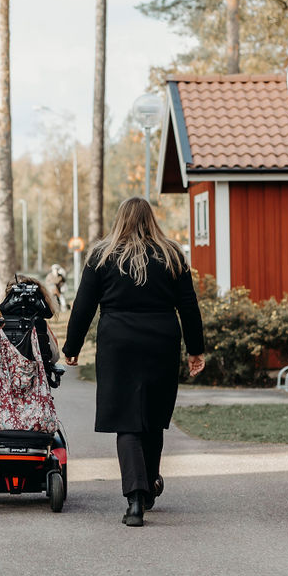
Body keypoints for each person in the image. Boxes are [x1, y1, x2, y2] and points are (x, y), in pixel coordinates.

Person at [62, 196, 206, 528]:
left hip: (118, 344)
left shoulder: (102, 255)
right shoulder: (171, 255)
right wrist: (195, 349)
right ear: (150, 219)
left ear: (120, 219)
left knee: (128, 421)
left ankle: (135, 499)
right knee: (153, 418)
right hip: (161, 341)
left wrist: (72, 346)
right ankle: (150, 483)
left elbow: (84, 305)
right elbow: (189, 305)